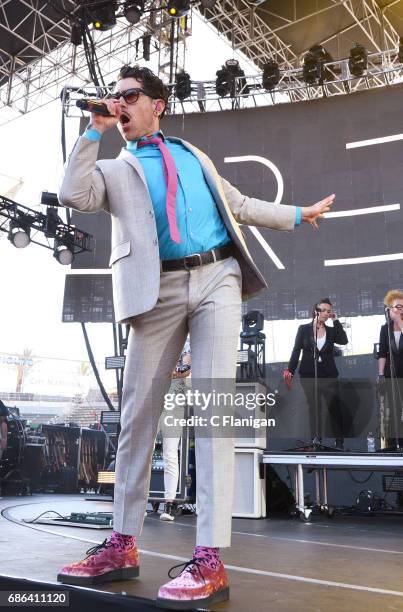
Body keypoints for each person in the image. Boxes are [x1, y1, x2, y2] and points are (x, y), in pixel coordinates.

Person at [57, 64, 334, 608]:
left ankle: (209, 559)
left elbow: (244, 206)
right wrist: (93, 130)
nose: (119, 104)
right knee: (138, 414)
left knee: (211, 408)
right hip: (153, 289)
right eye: (114, 98)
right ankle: (121, 545)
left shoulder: (194, 156)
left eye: (128, 96)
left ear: (156, 103)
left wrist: (300, 215)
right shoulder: (116, 167)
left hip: (217, 278)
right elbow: (73, 192)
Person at [284, 298, 348, 447]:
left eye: (329, 311)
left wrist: (336, 321)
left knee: (334, 406)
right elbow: (296, 351)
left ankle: (339, 441)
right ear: (316, 311)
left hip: (329, 374)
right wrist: (290, 371)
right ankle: (316, 438)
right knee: (314, 407)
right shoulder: (304, 329)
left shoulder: (331, 331)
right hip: (308, 373)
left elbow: (344, 341)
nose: (327, 313)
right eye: (325, 310)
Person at [159, 339, 191, 522]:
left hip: (174, 400)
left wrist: (176, 372)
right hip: (156, 396)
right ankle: (139, 502)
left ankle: (169, 504)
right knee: (144, 452)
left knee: (170, 453)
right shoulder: (162, 336)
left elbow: (185, 369)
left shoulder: (189, 341)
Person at [377, 289, 403, 446]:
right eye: (398, 307)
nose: (401, 309)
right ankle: (394, 443)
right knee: (394, 408)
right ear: (390, 309)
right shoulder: (384, 329)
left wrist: (400, 322)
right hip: (392, 374)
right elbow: (382, 353)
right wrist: (380, 374)